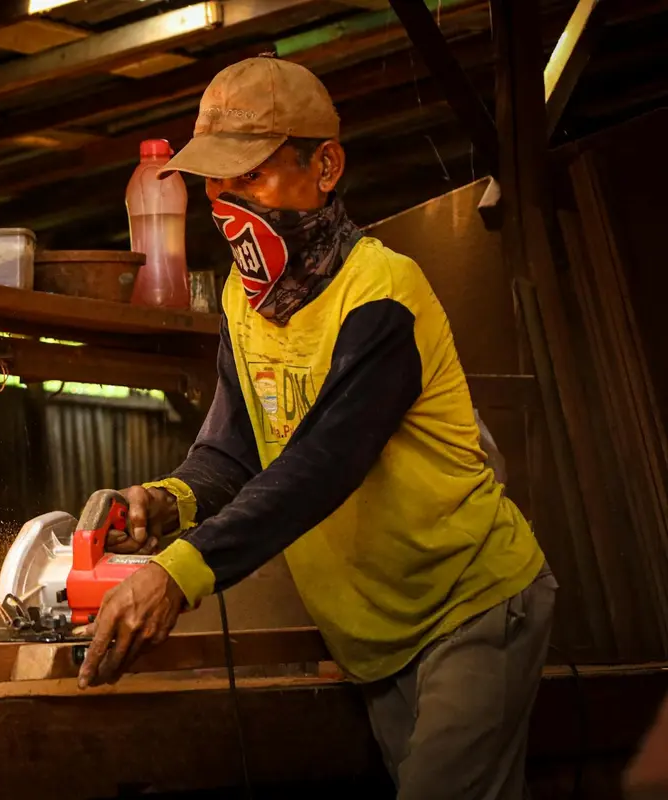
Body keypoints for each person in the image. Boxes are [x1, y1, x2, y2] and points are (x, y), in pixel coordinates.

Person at [76, 55, 556, 800]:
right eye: (217, 183)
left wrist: (178, 576)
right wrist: (167, 501)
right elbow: (235, 451)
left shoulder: (382, 295)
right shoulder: (244, 299)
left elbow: (319, 467)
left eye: (253, 178)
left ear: (326, 165)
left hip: (471, 604)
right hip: (375, 635)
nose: (228, 205)